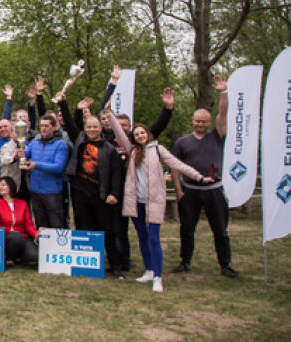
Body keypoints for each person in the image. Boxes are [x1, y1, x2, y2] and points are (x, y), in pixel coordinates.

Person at [108, 115, 212, 292]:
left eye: (142, 133)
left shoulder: (158, 150)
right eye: (137, 134)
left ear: (148, 134)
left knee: (154, 238)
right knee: (142, 237)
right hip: (136, 202)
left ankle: (158, 276)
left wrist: (200, 178)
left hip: (154, 201)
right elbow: (118, 132)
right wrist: (109, 115)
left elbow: (179, 164)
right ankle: (149, 270)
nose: (140, 136)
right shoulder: (133, 151)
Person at [171, 75, 237, 278]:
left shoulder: (217, 136)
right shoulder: (183, 142)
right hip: (190, 191)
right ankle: (185, 261)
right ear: (193, 121)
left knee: (220, 230)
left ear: (209, 122)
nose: (201, 124)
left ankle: (225, 265)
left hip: (213, 191)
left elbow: (223, 114)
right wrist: (179, 189)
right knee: (187, 229)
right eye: (198, 121)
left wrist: (224, 92)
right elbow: (175, 167)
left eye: (204, 121)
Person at [57, 95, 124, 279]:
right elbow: (71, 123)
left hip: (101, 195)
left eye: (95, 127)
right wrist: (66, 104)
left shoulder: (110, 148)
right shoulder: (79, 139)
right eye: (89, 127)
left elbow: (116, 174)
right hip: (80, 192)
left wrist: (114, 194)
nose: (92, 130)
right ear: (85, 129)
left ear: (101, 128)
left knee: (107, 231)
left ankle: (116, 266)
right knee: (84, 228)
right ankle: (87, 263)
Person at [19, 115, 69, 229]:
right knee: (41, 225)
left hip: (52, 191)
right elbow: (25, 155)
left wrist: (37, 165)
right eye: (41, 126)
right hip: (35, 190)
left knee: (56, 224)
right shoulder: (35, 141)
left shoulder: (61, 144)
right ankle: (42, 246)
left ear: (54, 127)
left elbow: (58, 167)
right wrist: (19, 154)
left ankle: (57, 247)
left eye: (46, 126)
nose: (43, 128)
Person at [0, 176, 38, 266]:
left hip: (21, 236)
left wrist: (36, 234)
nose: (0, 187)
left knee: (34, 256)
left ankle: (17, 256)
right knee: (16, 237)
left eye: (3, 185)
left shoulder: (22, 203)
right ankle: (8, 258)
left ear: (11, 186)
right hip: (5, 236)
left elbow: (29, 225)